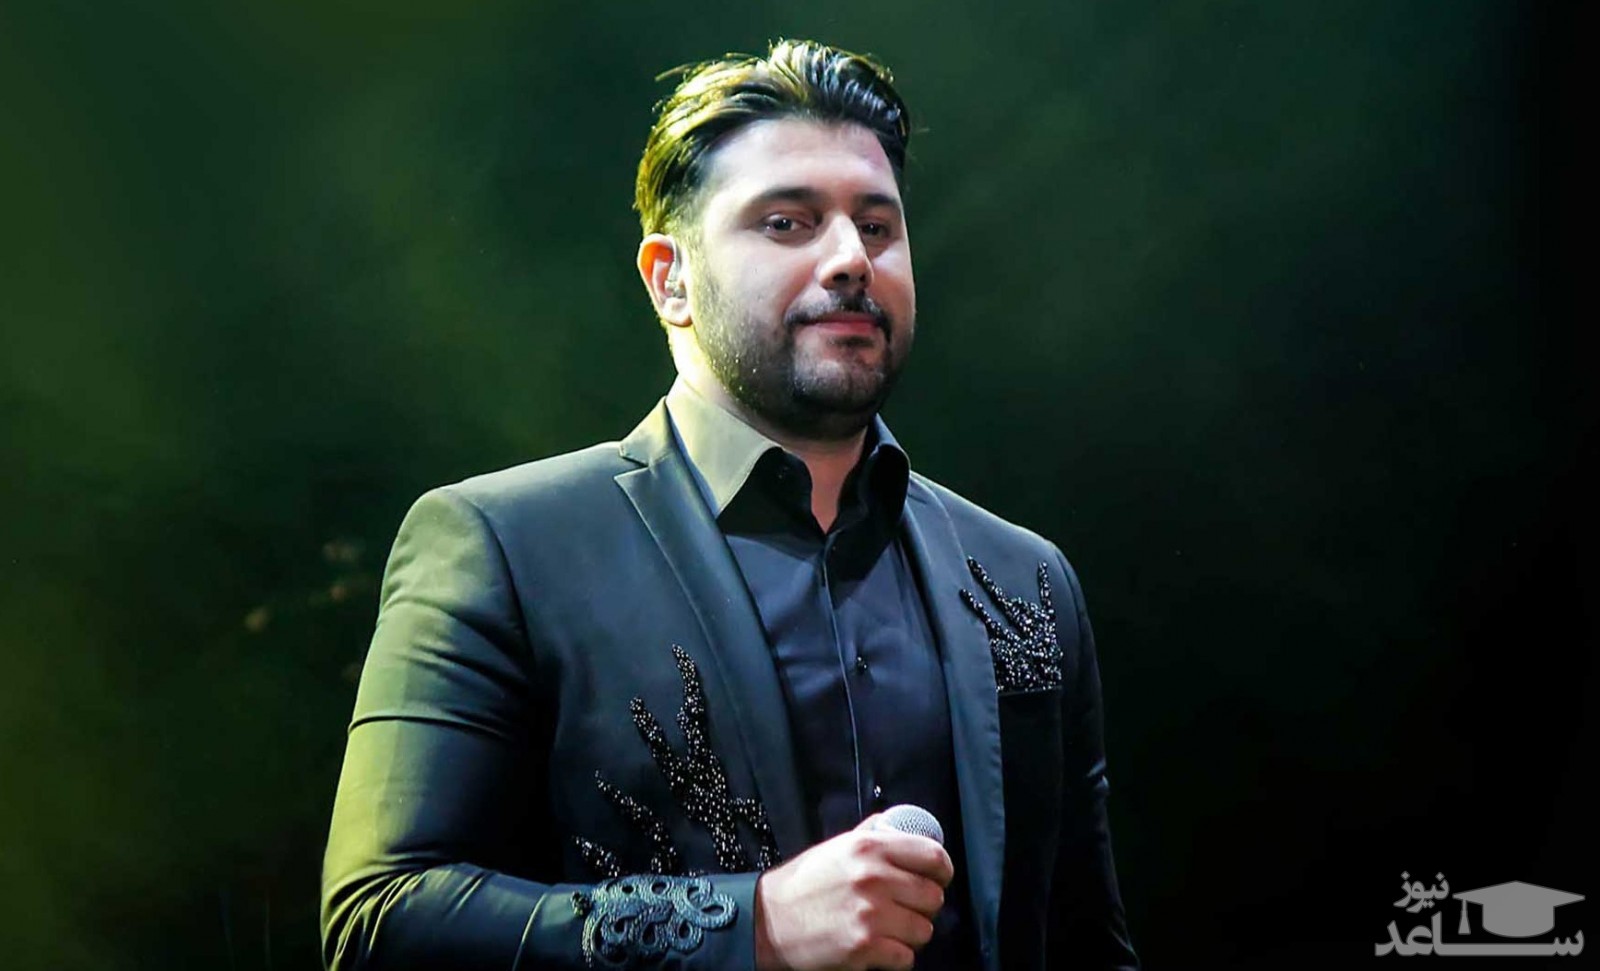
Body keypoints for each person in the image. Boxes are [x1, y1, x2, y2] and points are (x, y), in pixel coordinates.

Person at [321, 38, 1138, 971]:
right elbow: (381, 920)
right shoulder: (504, 546)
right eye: (788, 223)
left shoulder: (1025, 578)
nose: (851, 258)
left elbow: (1086, 942)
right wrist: (754, 926)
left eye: (877, 226)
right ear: (669, 279)